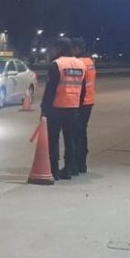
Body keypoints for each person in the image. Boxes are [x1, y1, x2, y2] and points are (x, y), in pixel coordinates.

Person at [40, 38, 86, 180]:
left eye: (54, 48)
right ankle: (68, 169)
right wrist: (79, 106)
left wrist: (44, 108)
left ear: (59, 48)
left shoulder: (57, 64)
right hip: (72, 107)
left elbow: (51, 89)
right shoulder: (81, 64)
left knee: (53, 140)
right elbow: (83, 89)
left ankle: (54, 170)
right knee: (70, 139)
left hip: (56, 107)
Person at [72, 38, 96, 173]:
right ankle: (82, 164)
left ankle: (75, 164)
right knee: (81, 132)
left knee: (75, 134)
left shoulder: (80, 63)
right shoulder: (90, 62)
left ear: (78, 49)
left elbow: (80, 85)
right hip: (89, 101)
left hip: (81, 103)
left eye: (73, 48)